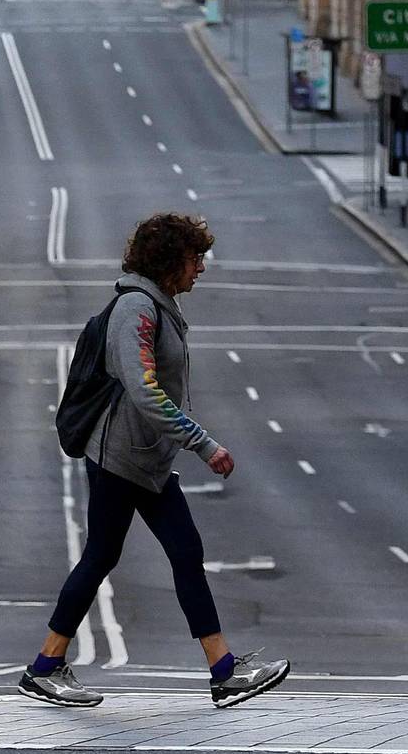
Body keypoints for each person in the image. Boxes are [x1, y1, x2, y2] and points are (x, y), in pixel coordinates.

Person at [17, 211, 289, 711]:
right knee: (105, 556)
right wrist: (204, 444)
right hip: (121, 458)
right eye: (194, 258)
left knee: (181, 552)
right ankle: (45, 666)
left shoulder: (158, 305)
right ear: (168, 261)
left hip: (147, 459)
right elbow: (145, 392)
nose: (200, 268)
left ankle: (223, 671)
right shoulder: (136, 310)